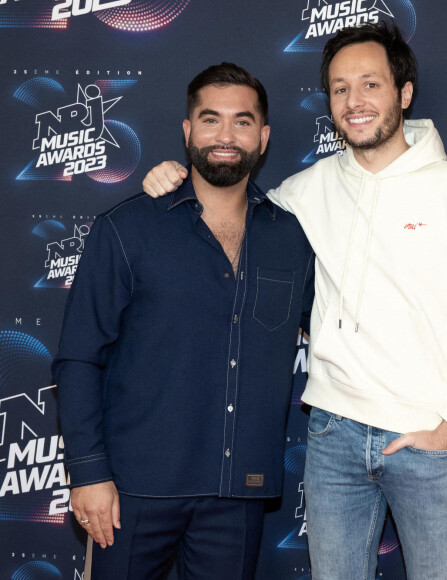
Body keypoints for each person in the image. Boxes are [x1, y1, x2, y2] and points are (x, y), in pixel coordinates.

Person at [141, 22, 447, 580]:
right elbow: (229, 207)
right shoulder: (303, 192)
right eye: (340, 88)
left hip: (429, 446)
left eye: (370, 84)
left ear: (404, 93)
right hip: (333, 441)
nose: (354, 101)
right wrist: (173, 177)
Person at [53, 62, 314, 580]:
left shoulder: (290, 238)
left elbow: (341, 330)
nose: (225, 135)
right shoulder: (126, 229)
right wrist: (88, 474)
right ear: (187, 130)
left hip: (237, 492)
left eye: (242, 122)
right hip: (132, 490)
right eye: (210, 119)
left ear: (262, 138)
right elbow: (80, 358)